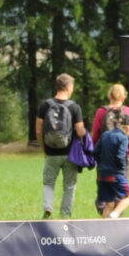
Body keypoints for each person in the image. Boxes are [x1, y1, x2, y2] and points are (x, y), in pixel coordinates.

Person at [34, 72, 83, 220]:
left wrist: (44, 149)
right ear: (68, 87)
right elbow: (80, 131)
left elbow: (38, 130)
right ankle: (65, 215)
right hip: (70, 154)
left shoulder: (45, 105)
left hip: (51, 152)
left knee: (49, 182)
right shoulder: (74, 107)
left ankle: (48, 207)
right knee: (69, 185)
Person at [94, 103, 129, 218]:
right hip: (116, 175)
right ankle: (114, 214)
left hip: (102, 175)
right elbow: (120, 156)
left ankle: (104, 227)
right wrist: (120, 169)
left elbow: (95, 152)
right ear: (127, 127)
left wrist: (102, 165)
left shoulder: (105, 134)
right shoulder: (123, 138)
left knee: (109, 203)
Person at [91, 82, 129, 158]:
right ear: (124, 97)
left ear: (109, 96)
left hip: (104, 154)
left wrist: (96, 150)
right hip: (123, 153)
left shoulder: (101, 111)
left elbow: (95, 135)